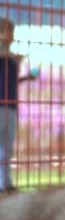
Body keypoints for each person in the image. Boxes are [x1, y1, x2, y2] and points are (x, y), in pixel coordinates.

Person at [0, 18, 38, 193]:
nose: (9, 36)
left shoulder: (13, 59)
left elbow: (10, 81)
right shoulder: (9, 56)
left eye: (10, 32)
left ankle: (5, 183)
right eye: (6, 31)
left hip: (10, 104)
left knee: (7, 147)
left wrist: (26, 77)